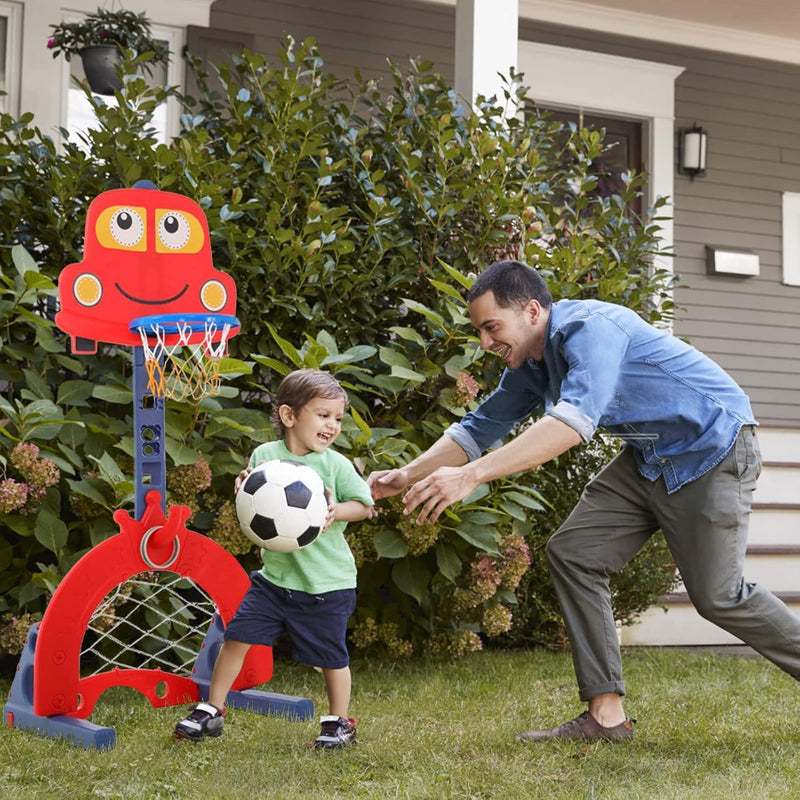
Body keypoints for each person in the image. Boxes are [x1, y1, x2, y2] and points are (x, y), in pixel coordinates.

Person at [368, 258, 800, 742]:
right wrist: (407, 475)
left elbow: (572, 424)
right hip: (650, 455)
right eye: (481, 331)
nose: (485, 343)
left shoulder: (591, 329)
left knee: (718, 595)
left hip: (712, 448)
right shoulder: (530, 362)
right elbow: (478, 427)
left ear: (532, 311)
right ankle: (606, 718)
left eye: (491, 327)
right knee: (574, 553)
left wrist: (472, 476)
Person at [174, 369, 373, 748]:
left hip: (326, 584)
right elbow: (254, 493)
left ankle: (339, 722)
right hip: (274, 580)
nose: (332, 426)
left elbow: (365, 506)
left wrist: (336, 511)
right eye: (323, 415)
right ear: (289, 416)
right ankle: (212, 709)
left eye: (338, 418)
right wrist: (243, 488)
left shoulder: (335, 465)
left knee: (332, 657)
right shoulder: (265, 456)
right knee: (236, 637)